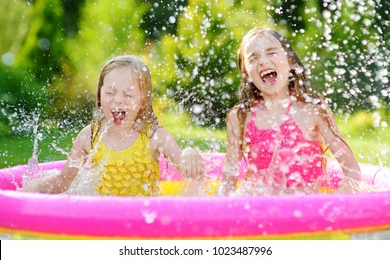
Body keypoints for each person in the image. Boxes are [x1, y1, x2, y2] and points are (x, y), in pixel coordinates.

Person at [23, 55, 203, 196]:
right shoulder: (89, 136)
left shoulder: (154, 137)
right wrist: (31, 188)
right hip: (103, 220)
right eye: (110, 92)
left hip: (143, 221)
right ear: (100, 94)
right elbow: (63, 181)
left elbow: (185, 165)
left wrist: (189, 154)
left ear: (143, 101)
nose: (118, 99)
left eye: (128, 94)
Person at [218, 27, 364, 196]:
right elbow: (228, 181)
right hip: (259, 210)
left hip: (306, 211)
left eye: (271, 53)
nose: (263, 61)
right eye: (253, 58)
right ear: (246, 73)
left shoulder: (312, 109)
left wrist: (332, 201)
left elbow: (352, 170)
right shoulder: (240, 117)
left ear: (290, 62)